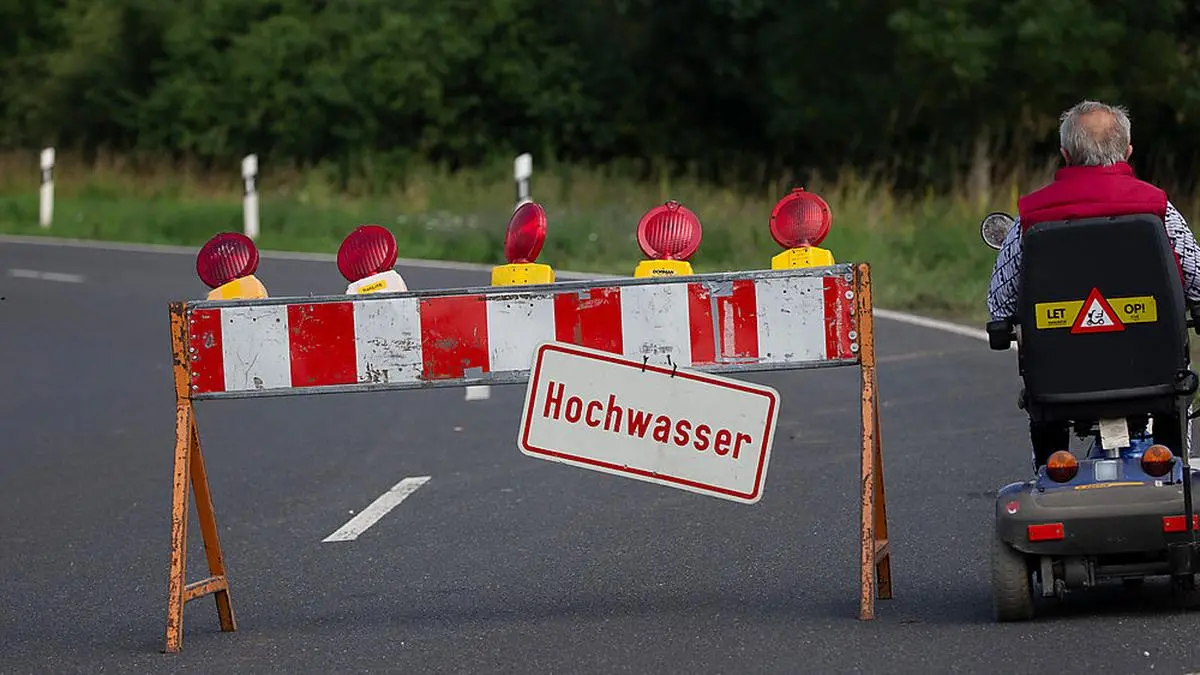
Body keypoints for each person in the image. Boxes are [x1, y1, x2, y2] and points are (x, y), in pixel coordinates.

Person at [986, 100, 1200, 470]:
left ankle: (1052, 466)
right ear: (1127, 151)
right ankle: (1171, 466)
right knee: (1177, 384)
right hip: (1155, 378)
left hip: (1059, 386)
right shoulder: (1157, 209)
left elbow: (1000, 304)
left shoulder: (1030, 218)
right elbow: (1197, 279)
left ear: (1065, 154)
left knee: (1042, 399)